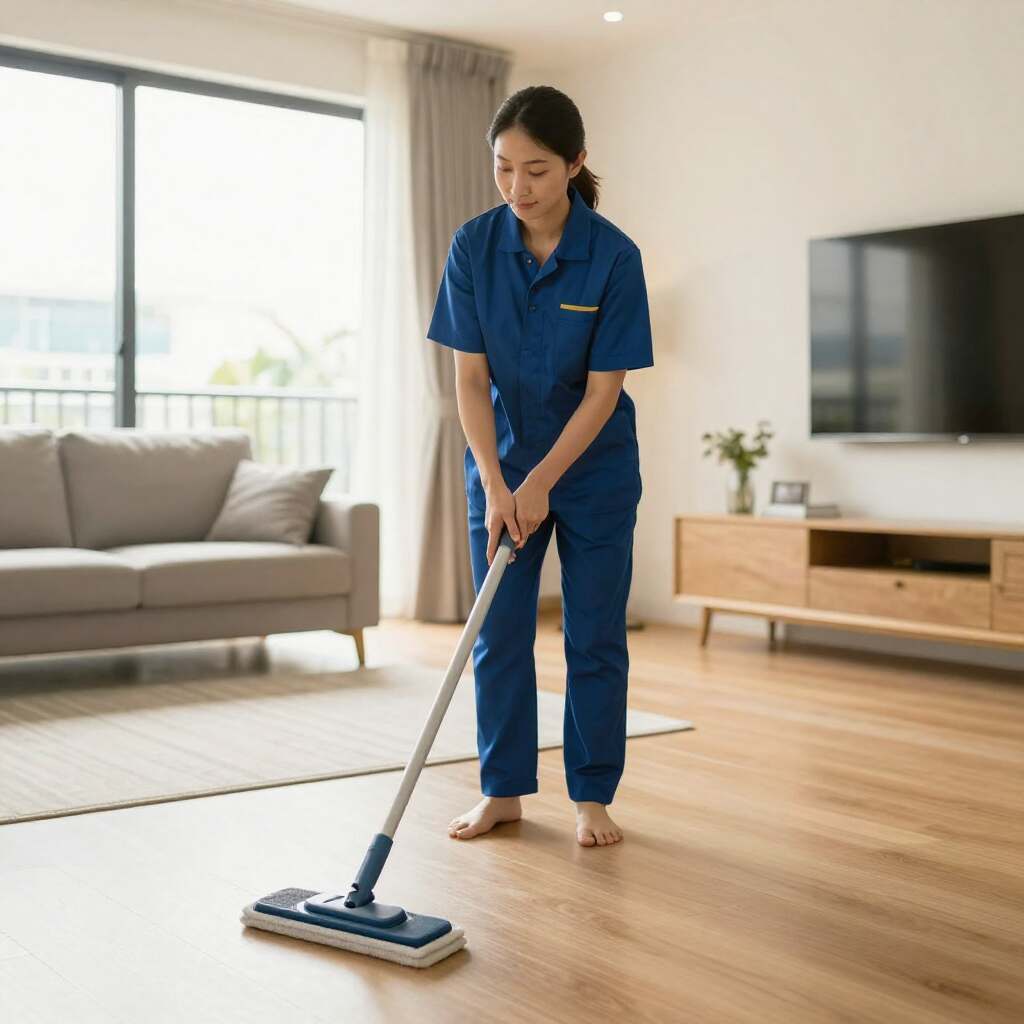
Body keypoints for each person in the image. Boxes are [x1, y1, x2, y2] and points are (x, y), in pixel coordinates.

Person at [426, 85, 654, 848]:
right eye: (502, 168)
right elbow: (467, 380)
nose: (517, 188)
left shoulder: (615, 257)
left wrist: (542, 481)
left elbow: (602, 393)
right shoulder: (473, 246)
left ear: (575, 164)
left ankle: (592, 797)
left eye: (537, 170)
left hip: (592, 471)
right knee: (498, 631)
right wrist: (497, 482)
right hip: (501, 466)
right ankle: (503, 791)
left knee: (592, 634)